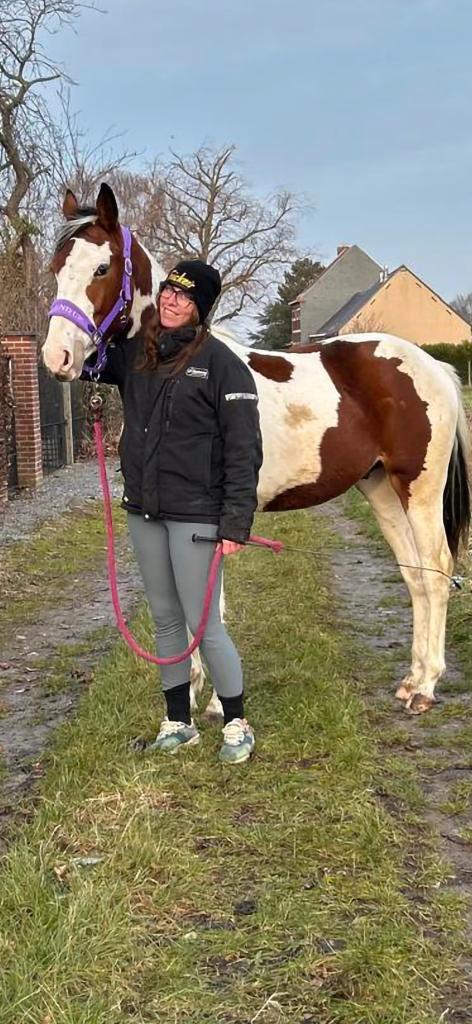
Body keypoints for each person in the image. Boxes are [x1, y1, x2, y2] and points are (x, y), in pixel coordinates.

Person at [89, 259, 263, 763]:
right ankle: (178, 721)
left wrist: (235, 522)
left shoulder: (222, 364)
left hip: (196, 515)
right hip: (144, 510)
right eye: (169, 291)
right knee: (165, 619)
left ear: (200, 309)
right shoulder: (135, 356)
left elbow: (243, 449)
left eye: (185, 297)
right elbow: (81, 360)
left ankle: (236, 724)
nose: (171, 301)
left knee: (204, 623)